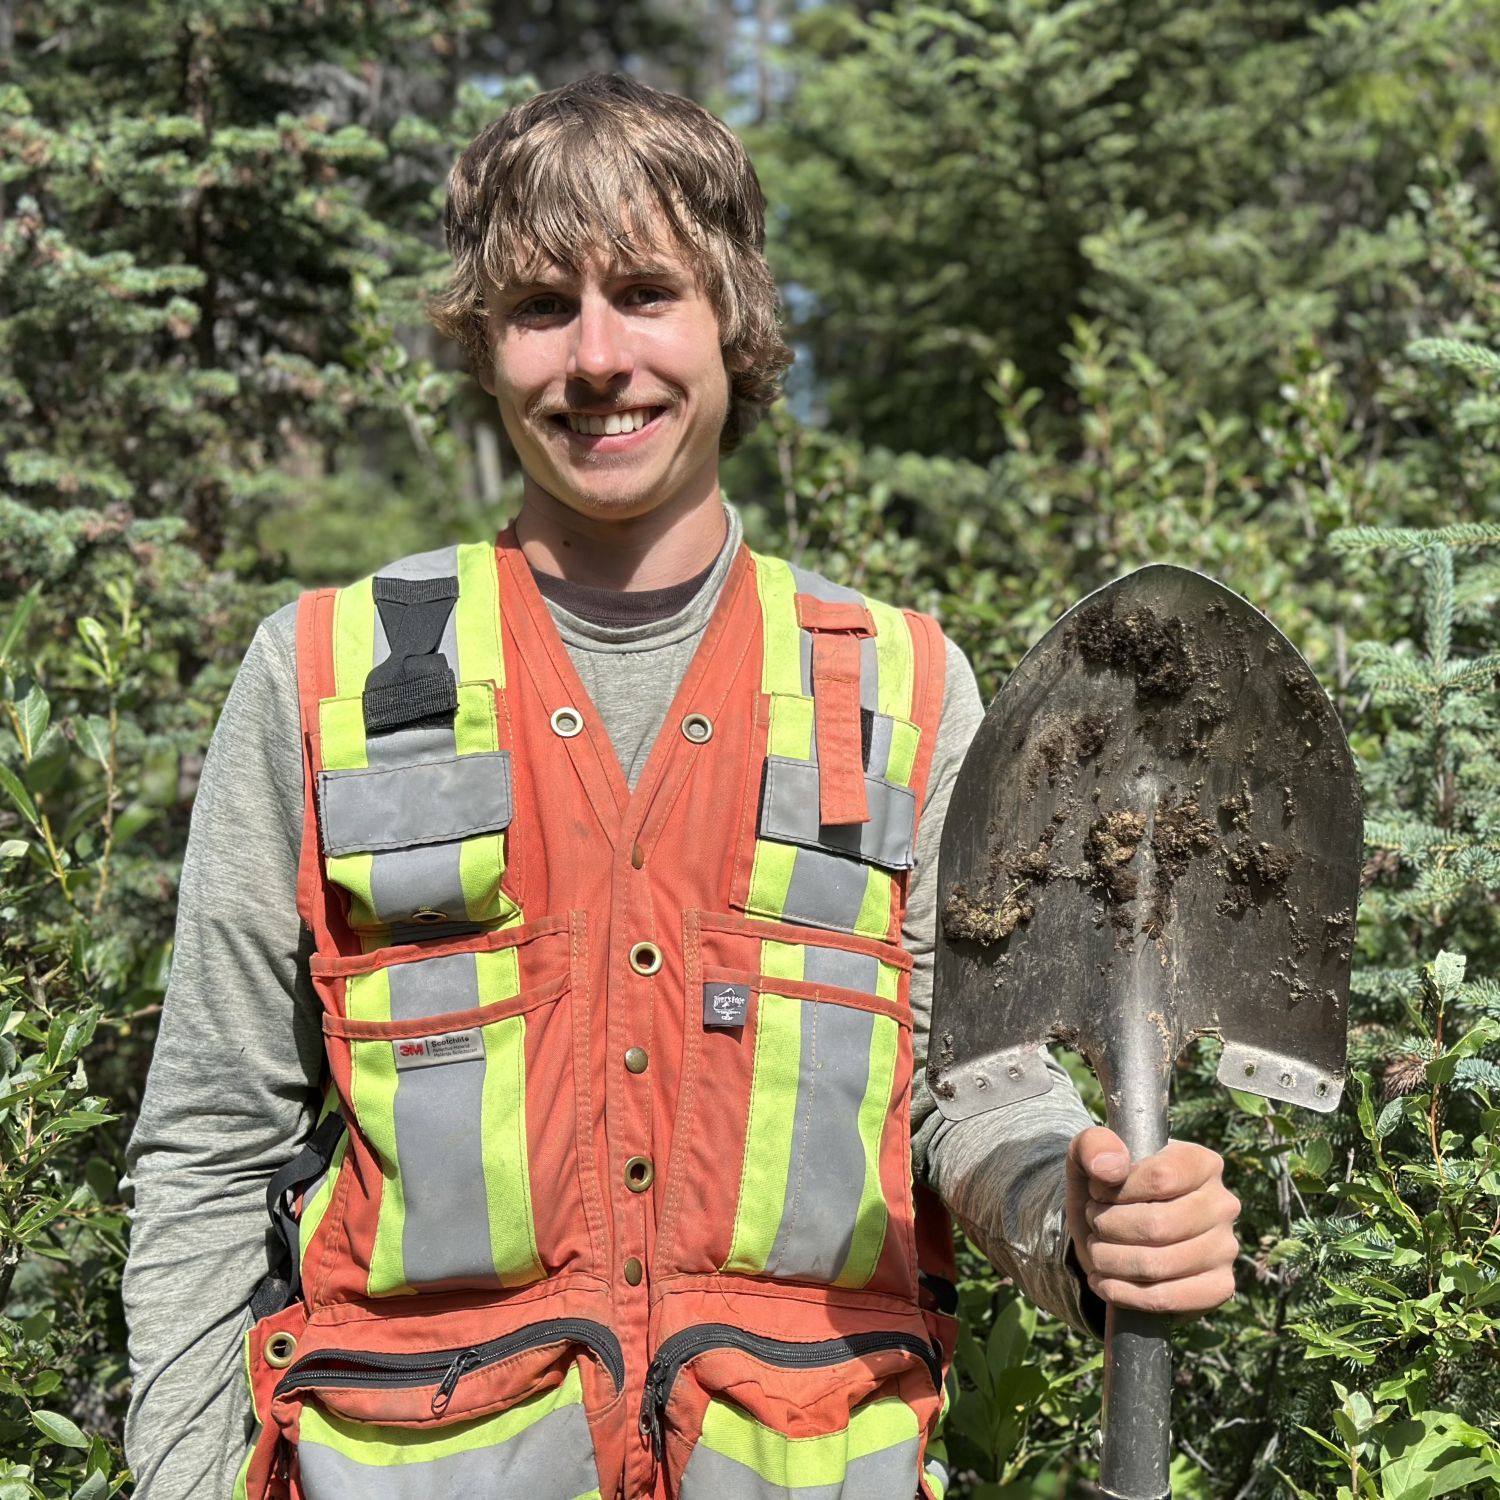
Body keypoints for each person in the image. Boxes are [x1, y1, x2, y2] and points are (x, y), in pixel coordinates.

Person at [122, 72, 1240, 1500]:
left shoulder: (897, 688)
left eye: (645, 292)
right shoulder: (323, 679)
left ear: (733, 317)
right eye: (540, 308)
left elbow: (965, 1093)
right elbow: (212, 1156)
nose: (597, 358)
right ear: (483, 345)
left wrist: (1073, 1222)